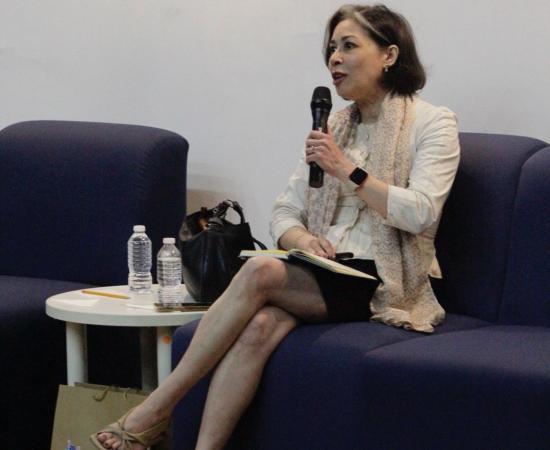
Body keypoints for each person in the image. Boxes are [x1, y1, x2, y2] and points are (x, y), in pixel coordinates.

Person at [90, 4, 459, 449]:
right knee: (261, 325)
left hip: (386, 276)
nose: (334, 59)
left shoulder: (432, 123)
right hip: (328, 270)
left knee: (261, 270)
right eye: (331, 48)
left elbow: (421, 212)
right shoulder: (335, 127)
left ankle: (155, 409)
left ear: (389, 55)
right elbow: (284, 212)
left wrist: (347, 171)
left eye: (348, 46)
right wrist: (303, 239)